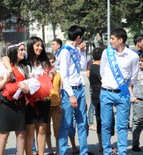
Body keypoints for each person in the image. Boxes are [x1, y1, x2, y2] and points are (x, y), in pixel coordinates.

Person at [100, 28, 139, 155]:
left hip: (123, 94)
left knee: (122, 126)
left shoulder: (133, 56)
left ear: (120, 40)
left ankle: (122, 152)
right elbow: (102, 71)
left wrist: (126, 87)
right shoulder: (107, 53)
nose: (110, 41)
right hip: (106, 93)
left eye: (112, 39)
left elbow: (133, 76)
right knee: (106, 124)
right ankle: (106, 151)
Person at [0, 41, 29, 155]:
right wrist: (6, 79)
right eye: (21, 50)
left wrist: (27, 89)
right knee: (4, 133)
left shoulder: (24, 67)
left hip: (20, 102)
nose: (24, 52)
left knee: (21, 133)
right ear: (14, 51)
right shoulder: (3, 66)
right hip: (5, 103)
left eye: (24, 50)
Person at [57, 25, 88, 155]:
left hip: (80, 89)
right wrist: (71, 95)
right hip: (69, 91)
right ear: (78, 37)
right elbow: (63, 76)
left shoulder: (75, 49)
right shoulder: (65, 51)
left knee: (82, 123)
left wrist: (83, 52)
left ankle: (84, 152)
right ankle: (63, 152)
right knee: (66, 124)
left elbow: (83, 66)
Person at [89, 47, 116, 154]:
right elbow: (104, 81)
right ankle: (104, 146)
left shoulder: (94, 66)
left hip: (98, 95)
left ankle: (103, 145)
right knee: (105, 121)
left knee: (102, 120)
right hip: (100, 96)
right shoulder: (97, 67)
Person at [46, 52, 62, 155]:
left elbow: (61, 89)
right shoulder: (44, 75)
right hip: (46, 105)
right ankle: (50, 150)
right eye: (50, 62)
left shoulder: (59, 75)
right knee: (46, 130)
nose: (52, 64)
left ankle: (58, 150)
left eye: (53, 62)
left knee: (58, 129)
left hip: (57, 105)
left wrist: (61, 103)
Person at [129, 53, 143, 152]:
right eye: (140, 61)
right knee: (137, 122)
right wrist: (131, 95)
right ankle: (135, 144)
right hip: (138, 99)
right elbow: (128, 84)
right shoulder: (134, 72)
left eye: (142, 61)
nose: (140, 63)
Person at [86, 57, 96, 131]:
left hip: (100, 87)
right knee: (92, 105)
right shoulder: (92, 61)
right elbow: (88, 74)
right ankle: (91, 123)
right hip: (93, 87)